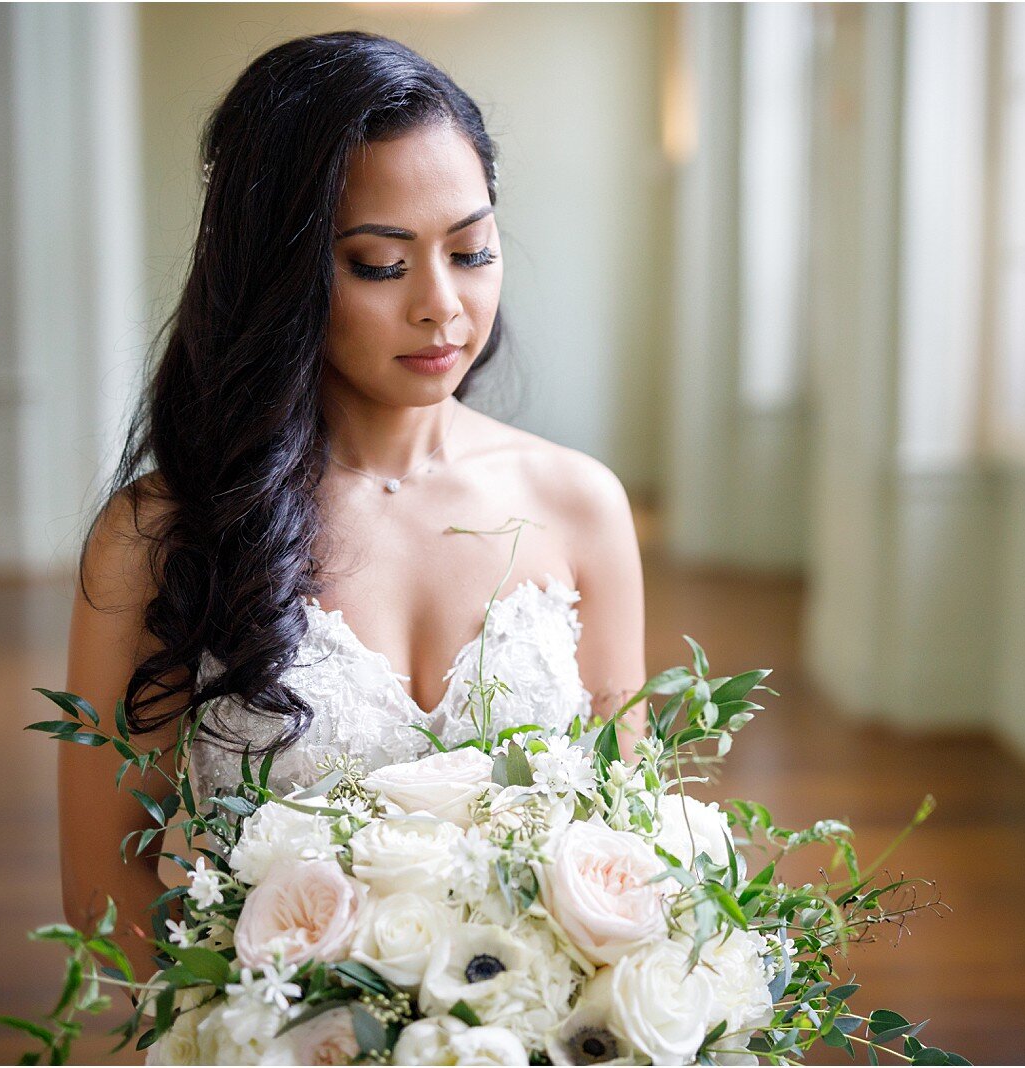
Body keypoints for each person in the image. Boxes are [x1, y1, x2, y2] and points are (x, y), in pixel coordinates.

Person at [57, 31, 646, 983]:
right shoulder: (159, 538)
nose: (443, 306)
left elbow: (631, 846)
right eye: (381, 263)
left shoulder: (580, 506)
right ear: (280, 272)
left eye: (472, 251)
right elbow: (104, 895)